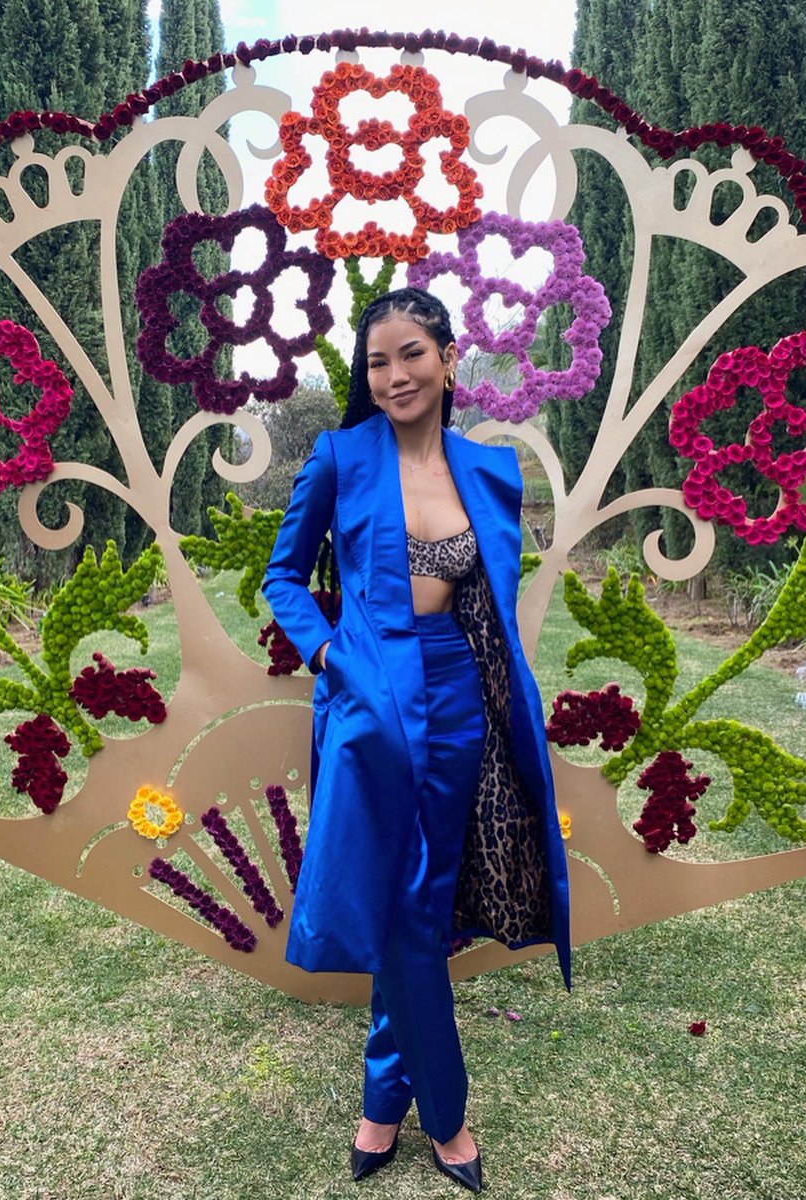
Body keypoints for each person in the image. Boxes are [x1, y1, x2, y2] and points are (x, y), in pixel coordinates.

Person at [263, 287, 570, 1193]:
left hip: (458, 696)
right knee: (400, 904)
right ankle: (446, 1115)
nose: (393, 375)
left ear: (445, 358)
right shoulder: (339, 456)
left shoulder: (489, 470)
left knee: (422, 903)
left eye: (409, 354)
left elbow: (490, 603)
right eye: (376, 361)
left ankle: (379, 1104)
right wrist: (329, 655)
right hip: (368, 701)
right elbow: (284, 577)